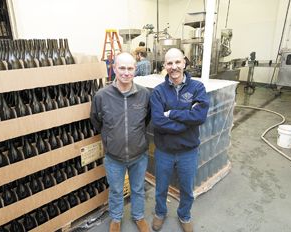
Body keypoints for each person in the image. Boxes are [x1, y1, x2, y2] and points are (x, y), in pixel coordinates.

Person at [90, 52, 151, 232]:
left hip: (138, 155)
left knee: (138, 189)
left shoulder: (144, 95)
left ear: (135, 70)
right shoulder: (102, 96)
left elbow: (146, 119)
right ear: (114, 68)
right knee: (116, 190)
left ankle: (138, 216)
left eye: (130, 68)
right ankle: (116, 219)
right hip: (114, 157)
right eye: (122, 68)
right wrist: (111, 138)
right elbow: (96, 120)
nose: (126, 72)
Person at [150, 48, 209, 232]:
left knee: (186, 189)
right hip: (164, 151)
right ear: (164, 66)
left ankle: (184, 215)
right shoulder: (158, 92)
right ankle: (160, 213)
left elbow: (199, 116)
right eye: (169, 63)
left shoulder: (197, 88)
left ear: (184, 62)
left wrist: (173, 114)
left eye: (177, 62)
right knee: (160, 188)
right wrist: (186, 121)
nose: (173, 67)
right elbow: (158, 122)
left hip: (188, 151)